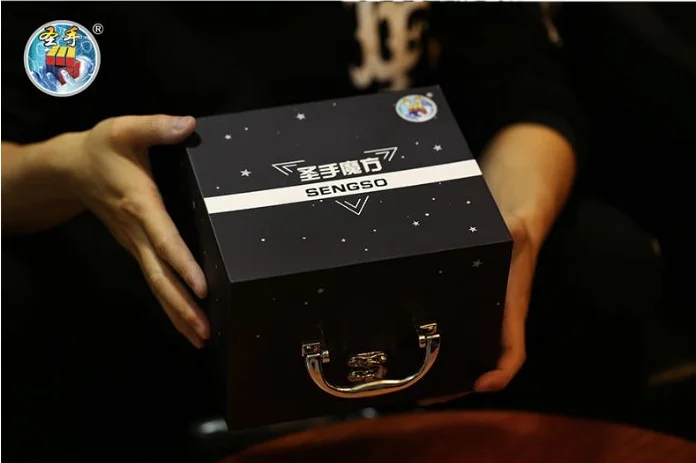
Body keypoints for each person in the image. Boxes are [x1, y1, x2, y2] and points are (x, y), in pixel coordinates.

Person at [1, 2, 660, 461]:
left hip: (415, 272)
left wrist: (512, 230)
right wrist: (69, 166)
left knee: (602, 257)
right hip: (174, 285)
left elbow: (528, 91)